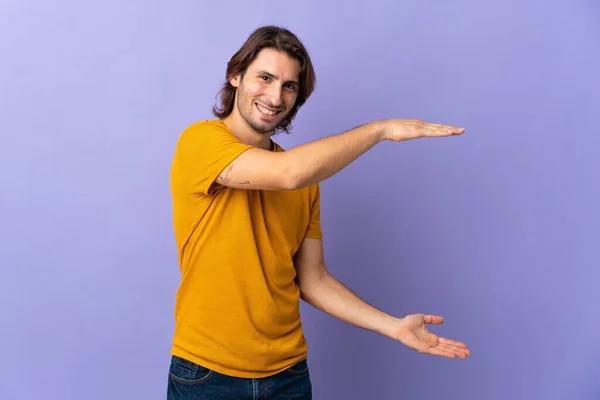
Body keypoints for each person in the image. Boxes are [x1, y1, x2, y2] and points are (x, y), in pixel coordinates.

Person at [166, 25, 470, 399]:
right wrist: (381, 129)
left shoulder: (308, 178)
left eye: (289, 86)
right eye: (264, 78)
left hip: (288, 376)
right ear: (235, 76)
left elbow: (313, 280)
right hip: (207, 375)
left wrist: (393, 327)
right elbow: (288, 173)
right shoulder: (200, 142)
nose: (275, 96)